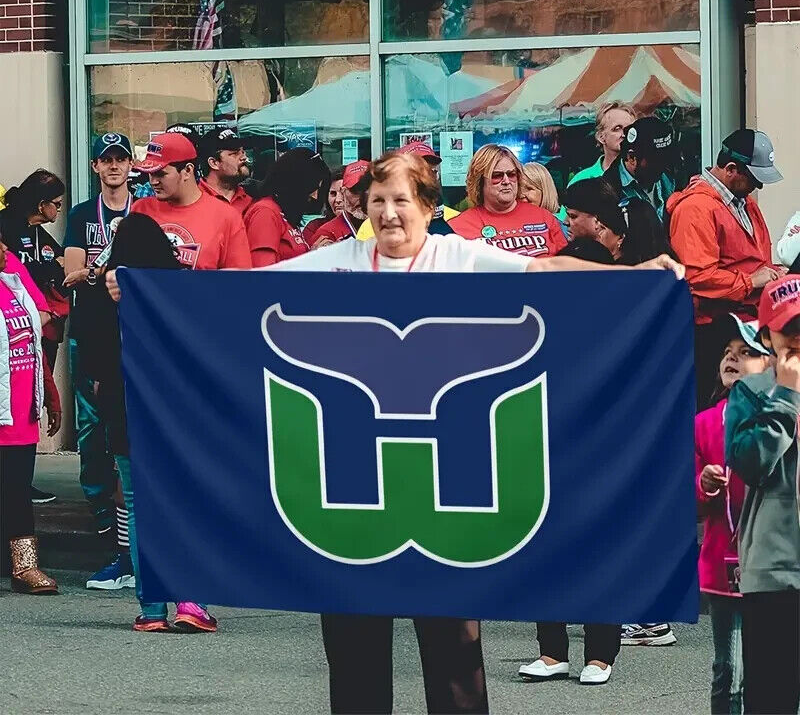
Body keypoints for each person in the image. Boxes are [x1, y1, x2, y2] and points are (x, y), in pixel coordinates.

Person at [239, 150, 682, 714]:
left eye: (401, 200)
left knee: (454, 653)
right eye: (377, 202)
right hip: (354, 494)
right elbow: (241, 292)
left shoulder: (457, 255)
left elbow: (544, 272)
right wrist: (145, 293)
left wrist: (634, 275)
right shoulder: (338, 260)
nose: (390, 214)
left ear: (427, 205)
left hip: (443, 492)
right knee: (354, 651)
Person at [84, 213, 217, 633]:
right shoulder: (179, 289)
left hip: (123, 407)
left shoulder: (103, 292)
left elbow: (94, 364)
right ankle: (190, 602)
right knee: (185, 502)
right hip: (176, 409)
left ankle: (152, 609)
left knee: (140, 507)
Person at [726, 275, 800, 715]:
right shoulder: (751, 393)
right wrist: (786, 397)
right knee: (770, 697)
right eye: (788, 329)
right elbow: (751, 465)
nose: (797, 338)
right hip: (775, 569)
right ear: (767, 334)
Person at [668, 129, 784, 409]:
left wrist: (773, 274)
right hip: (713, 330)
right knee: (717, 410)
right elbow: (696, 276)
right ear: (731, 169)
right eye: (754, 178)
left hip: (746, 323)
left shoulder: (744, 202)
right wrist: (751, 281)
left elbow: (755, 258)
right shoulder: (696, 208)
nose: (759, 186)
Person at [697, 314, 771, 715]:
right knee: (727, 670)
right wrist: (703, 485)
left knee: (773, 669)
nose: (732, 358)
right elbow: (684, 500)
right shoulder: (704, 423)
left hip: (775, 568)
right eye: (727, 352)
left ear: (771, 364)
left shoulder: (784, 418)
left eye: (745, 352)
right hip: (721, 567)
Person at [63, 133, 132, 551]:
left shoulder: (144, 210)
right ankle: (102, 515)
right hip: (88, 331)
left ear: (130, 166)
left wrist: (90, 270)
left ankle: (128, 523)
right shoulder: (82, 213)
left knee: (128, 424)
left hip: (130, 332)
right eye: (106, 160)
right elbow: (71, 274)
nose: (113, 166)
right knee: (91, 427)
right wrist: (103, 270)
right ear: (95, 167)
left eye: (120, 159)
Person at [0, 169, 67, 505]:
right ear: (41, 204)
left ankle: (23, 482)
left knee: (34, 401)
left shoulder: (39, 232)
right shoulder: (6, 227)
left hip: (38, 331)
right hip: (7, 337)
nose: (58, 210)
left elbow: (60, 262)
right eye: (56, 203)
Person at [0, 234, 60, 594]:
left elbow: (33, 345)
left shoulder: (13, 284)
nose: (6, 250)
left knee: (18, 490)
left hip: (21, 411)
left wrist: (51, 395)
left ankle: (24, 568)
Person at [131, 133, 252, 270]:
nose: (153, 182)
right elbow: (122, 267)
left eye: (161, 174)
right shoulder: (140, 210)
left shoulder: (226, 217)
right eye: (150, 173)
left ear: (187, 170)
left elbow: (240, 281)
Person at [449, 144, 567, 259]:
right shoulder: (458, 226)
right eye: (497, 175)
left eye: (511, 174)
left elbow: (566, 266)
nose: (506, 181)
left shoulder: (544, 218)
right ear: (480, 182)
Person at [244, 148, 330, 267]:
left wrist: (311, 255)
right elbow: (264, 273)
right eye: (311, 188)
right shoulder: (266, 213)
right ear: (294, 184)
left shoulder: (286, 211)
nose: (315, 196)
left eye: (318, 189)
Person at [356, 143, 460, 240]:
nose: (424, 179)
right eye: (414, 174)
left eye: (431, 172)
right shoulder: (371, 226)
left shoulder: (455, 219)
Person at [562, 179, 672, 265]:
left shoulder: (630, 269)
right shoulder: (569, 257)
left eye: (573, 216)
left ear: (598, 219)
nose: (565, 222)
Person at [602, 117, 676, 222]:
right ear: (631, 157)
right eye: (655, 161)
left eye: (666, 157)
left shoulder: (670, 179)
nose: (662, 165)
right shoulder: (608, 192)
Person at [568, 102, 637, 186]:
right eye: (617, 128)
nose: (624, 134)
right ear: (601, 137)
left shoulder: (647, 176)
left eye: (630, 129)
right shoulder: (582, 180)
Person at [312, 160, 370, 248]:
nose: (361, 198)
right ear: (343, 193)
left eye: (367, 191)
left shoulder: (390, 225)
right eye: (355, 191)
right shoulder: (326, 234)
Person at [197, 126, 253, 215]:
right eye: (235, 153)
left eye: (243, 152)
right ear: (214, 163)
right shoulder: (194, 200)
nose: (244, 157)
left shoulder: (251, 199)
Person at [303, 171, 344, 246]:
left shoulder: (367, 225)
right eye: (333, 193)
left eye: (343, 193)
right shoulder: (314, 227)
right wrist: (314, 252)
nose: (338, 200)